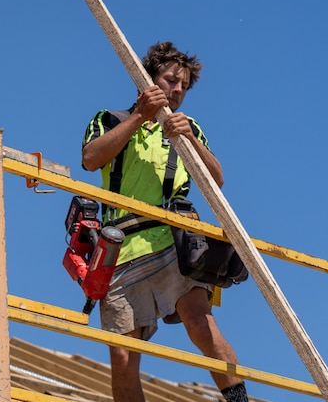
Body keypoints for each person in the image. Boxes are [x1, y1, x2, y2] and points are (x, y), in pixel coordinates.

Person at [81, 41, 248, 402]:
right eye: (171, 80)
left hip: (172, 243)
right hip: (120, 249)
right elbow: (91, 159)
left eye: (183, 86)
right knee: (123, 358)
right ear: (148, 79)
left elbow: (216, 179)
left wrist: (189, 138)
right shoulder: (110, 119)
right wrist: (141, 115)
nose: (177, 90)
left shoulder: (188, 130)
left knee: (201, 326)